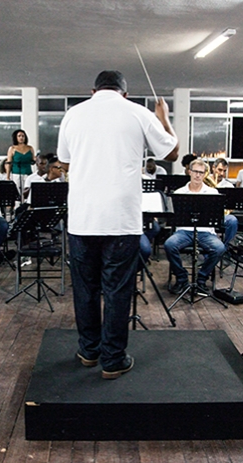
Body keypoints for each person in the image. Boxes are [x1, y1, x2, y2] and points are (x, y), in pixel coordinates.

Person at [57, 70, 178, 379]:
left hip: (83, 219)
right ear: (125, 92)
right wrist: (163, 117)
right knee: (117, 289)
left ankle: (88, 351)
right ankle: (112, 360)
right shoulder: (137, 112)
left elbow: (66, 161)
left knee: (85, 289)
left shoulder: (73, 114)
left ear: (93, 90)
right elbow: (172, 152)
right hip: (122, 220)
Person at [165, 159, 228, 295]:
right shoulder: (179, 193)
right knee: (169, 245)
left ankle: (201, 278)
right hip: (184, 231)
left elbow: (217, 217)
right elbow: (173, 219)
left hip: (205, 232)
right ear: (189, 172)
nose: (198, 175)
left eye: (201, 172)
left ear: (205, 174)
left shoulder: (213, 193)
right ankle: (182, 279)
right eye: (195, 172)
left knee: (219, 248)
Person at [5, 129, 36, 202]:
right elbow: (8, 163)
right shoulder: (12, 148)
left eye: (23, 136)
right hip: (16, 173)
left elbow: (33, 160)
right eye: (19, 136)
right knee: (18, 194)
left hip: (28, 172)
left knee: (28, 192)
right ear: (16, 137)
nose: (21, 138)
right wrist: (7, 176)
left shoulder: (30, 148)